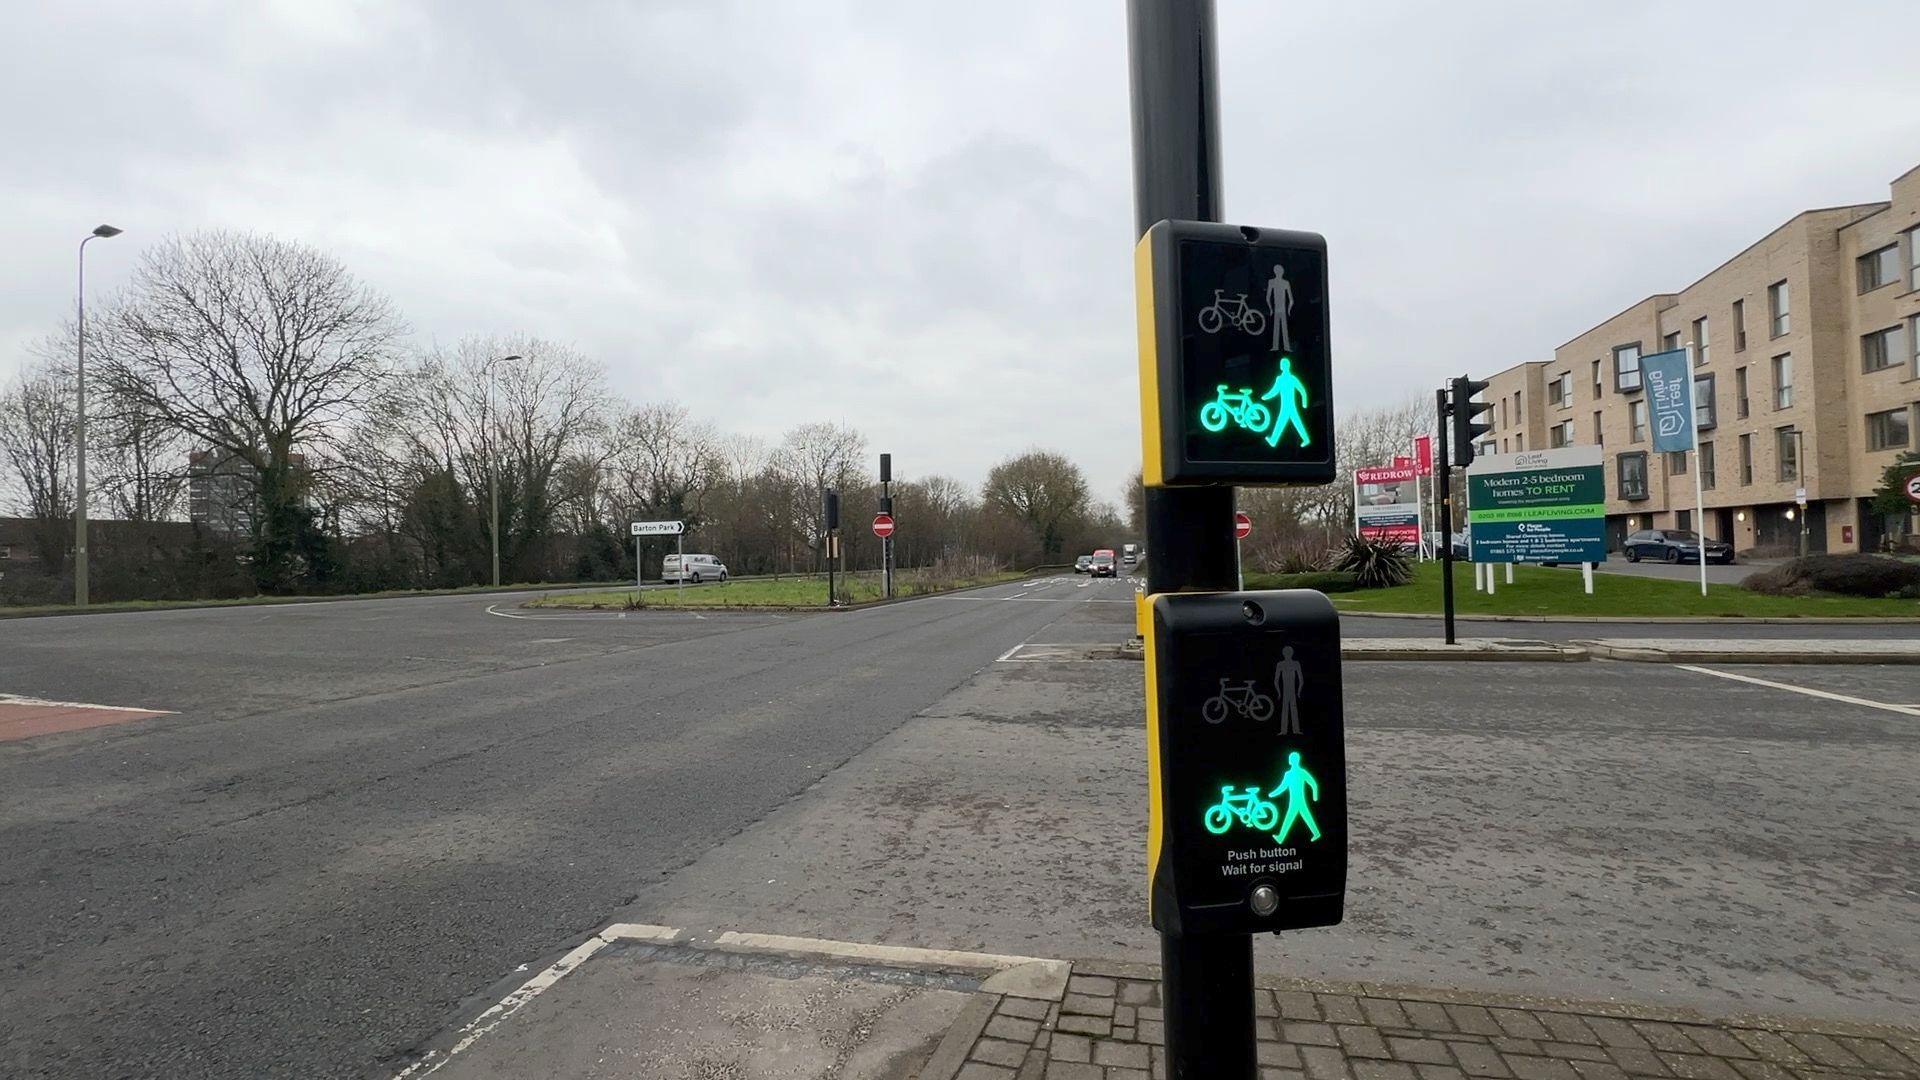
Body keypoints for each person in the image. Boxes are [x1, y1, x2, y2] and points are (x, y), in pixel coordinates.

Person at [1269, 750, 1322, 843]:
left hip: (1296, 801)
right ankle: (1316, 833)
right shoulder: (1294, 773)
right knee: (1304, 816)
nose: (1290, 760)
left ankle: (1281, 837)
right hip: (1297, 800)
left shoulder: (1295, 773)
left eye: (1291, 759)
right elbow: (1313, 784)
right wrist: (1314, 796)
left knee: (1291, 818)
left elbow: (1282, 787)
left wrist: (1315, 796)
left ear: (1290, 761)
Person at [1259, 357, 1311, 449]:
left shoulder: (1290, 378)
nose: (1282, 366)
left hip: (1289, 406)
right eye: (1282, 364)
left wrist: (1305, 403)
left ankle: (1274, 440)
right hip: (1287, 406)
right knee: (1292, 422)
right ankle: (1274, 440)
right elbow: (1275, 391)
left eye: (1283, 365)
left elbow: (1302, 390)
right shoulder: (1282, 379)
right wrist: (1266, 397)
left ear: (1285, 366)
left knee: (1286, 422)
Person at [1272, 646, 1303, 734]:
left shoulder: (1292, 664)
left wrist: (1299, 691)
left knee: (1289, 709)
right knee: (1289, 709)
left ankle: (1291, 730)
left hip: (1289, 690)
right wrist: (1279, 692)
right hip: (1288, 691)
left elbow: (1301, 679)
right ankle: (1286, 731)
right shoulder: (1282, 664)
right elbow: (1276, 680)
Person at [1265, 264, 1295, 353]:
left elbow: (1268, 297)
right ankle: (1280, 346)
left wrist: (1289, 309)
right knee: (1280, 327)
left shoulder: (1280, 282)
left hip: (1280, 308)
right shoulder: (1279, 282)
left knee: (1279, 327)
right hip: (1280, 308)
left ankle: (1281, 346)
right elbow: (1291, 299)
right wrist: (1270, 308)